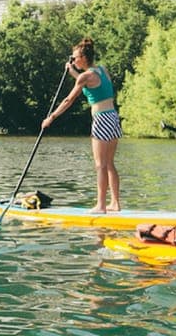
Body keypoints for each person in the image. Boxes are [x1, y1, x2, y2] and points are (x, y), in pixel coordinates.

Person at [42, 37, 122, 213]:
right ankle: (115, 203)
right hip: (114, 117)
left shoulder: (85, 77)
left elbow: (68, 99)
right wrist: (72, 71)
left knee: (100, 165)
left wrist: (51, 118)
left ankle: (101, 206)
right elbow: (89, 83)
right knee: (109, 163)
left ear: (84, 59)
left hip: (101, 119)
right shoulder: (102, 70)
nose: (73, 59)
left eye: (75, 57)